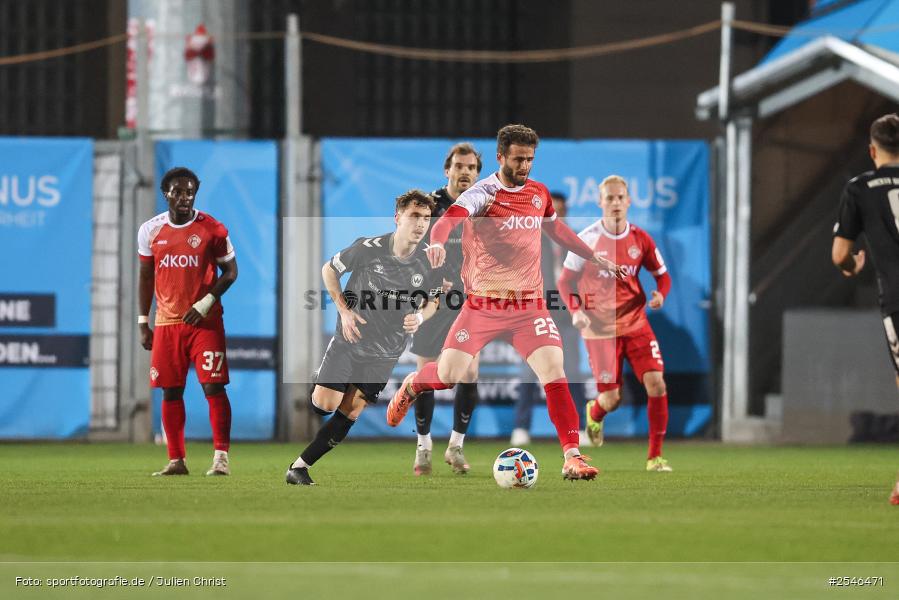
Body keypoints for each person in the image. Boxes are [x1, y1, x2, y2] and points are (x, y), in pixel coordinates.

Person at [386, 124, 626, 481]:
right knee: (450, 375)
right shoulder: (483, 193)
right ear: (500, 157)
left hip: (529, 307)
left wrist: (594, 257)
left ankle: (572, 456)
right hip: (483, 306)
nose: (525, 165)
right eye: (518, 159)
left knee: (554, 372)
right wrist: (436, 242)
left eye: (530, 159)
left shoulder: (538, 193)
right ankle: (414, 384)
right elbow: (450, 218)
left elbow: (556, 229)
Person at [285, 190, 440, 486]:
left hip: (387, 351)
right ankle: (322, 382)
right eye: (414, 216)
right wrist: (344, 311)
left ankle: (299, 467)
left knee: (352, 409)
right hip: (351, 339)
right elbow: (328, 270)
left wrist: (420, 316)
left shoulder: (429, 261)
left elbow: (434, 300)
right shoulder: (369, 248)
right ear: (398, 218)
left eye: (426, 218)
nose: (420, 224)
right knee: (325, 404)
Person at [557, 175, 673, 472]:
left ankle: (655, 457)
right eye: (610, 198)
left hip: (636, 324)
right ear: (600, 202)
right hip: (599, 330)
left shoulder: (641, 239)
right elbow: (565, 281)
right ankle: (595, 413)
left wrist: (661, 292)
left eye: (621, 197)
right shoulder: (587, 239)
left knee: (656, 383)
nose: (616, 203)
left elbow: (662, 274)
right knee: (611, 398)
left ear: (629, 201)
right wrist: (576, 310)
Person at [138, 167, 238, 477]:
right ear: (165, 193)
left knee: (213, 386)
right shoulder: (149, 231)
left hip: (205, 323)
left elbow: (231, 272)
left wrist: (206, 302)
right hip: (167, 324)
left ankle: (220, 457)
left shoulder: (213, 229)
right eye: (178, 192)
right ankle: (176, 460)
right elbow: (145, 276)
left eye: (190, 191)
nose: (185, 197)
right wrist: (144, 320)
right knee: (170, 391)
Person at [831, 113, 899, 505]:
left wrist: (849, 265)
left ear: (873, 150)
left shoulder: (860, 187)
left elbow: (841, 253)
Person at [410, 143, 483, 476]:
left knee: (468, 373)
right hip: (432, 301)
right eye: (459, 166)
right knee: (426, 373)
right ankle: (423, 448)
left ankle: (456, 446)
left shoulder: (484, 205)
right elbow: (409, 248)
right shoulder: (429, 205)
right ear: (447, 170)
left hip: (469, 302)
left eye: (470, 167)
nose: (464, 171)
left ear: (478, 172)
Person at [511, 191, 588, 447]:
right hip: (536, 315)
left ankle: (582, 429)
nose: (556, 213)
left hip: (567, 317)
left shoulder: (573, 239)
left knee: (573, 372)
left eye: (561, 209)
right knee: (528, 373)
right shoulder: (529, 238)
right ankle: (521, 428)